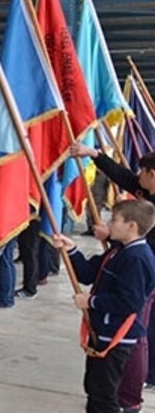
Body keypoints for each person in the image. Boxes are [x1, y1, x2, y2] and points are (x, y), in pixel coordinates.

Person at [49, 199, 155, 413]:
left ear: (131, 226)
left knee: (106, 396)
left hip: (116, 337)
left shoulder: (138, 258)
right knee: (95, 390)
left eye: (114, 220)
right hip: (102, 333)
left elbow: (129, 301)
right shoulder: (118, 251)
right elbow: (87, 272)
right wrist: (70, 251)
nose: (108, 225)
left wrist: (92, 302)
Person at [72, 143, 155, 392]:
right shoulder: (146, 191)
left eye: (142, 172)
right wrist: (95, 155)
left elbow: (143, 242)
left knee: (136, 329)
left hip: (142, 273)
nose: (137, 178)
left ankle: (132, 393)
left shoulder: (138, 253)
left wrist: (111, 236)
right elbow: (125, 177)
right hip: (136, 263)